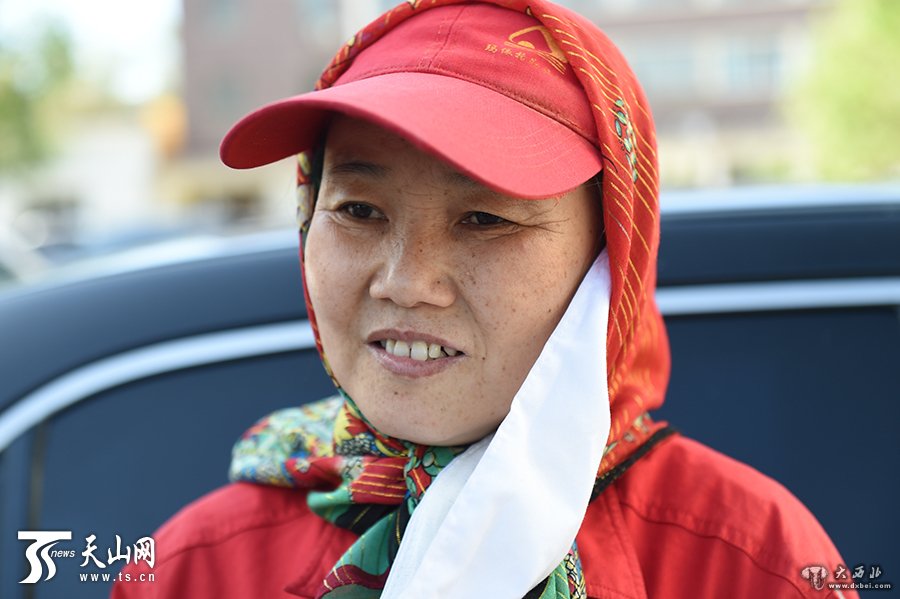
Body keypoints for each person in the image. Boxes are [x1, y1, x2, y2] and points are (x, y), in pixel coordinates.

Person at [113, 1, 854, 597]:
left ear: (613, 252)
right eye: (358, 210)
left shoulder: (752, 563)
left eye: (485, 219)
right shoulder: (190, 570)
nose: (405, 281)